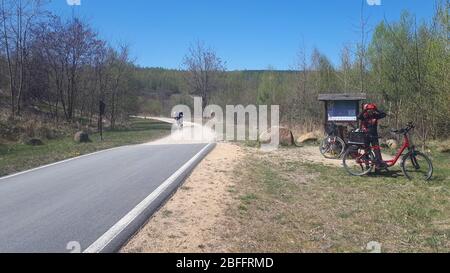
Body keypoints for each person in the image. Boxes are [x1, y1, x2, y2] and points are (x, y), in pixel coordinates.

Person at [358, 103, 387, 170]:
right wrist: (365, 110)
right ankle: (367, 166)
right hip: (366, 136)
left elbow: (384, 114)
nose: (370, 111)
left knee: (377, 151)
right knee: (367, 151)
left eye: (372, 110)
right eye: (369, 110)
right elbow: (359, 116)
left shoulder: (375, 115)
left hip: (374, 136)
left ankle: (378, 166)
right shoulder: (364, 116)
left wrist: (376, 110)